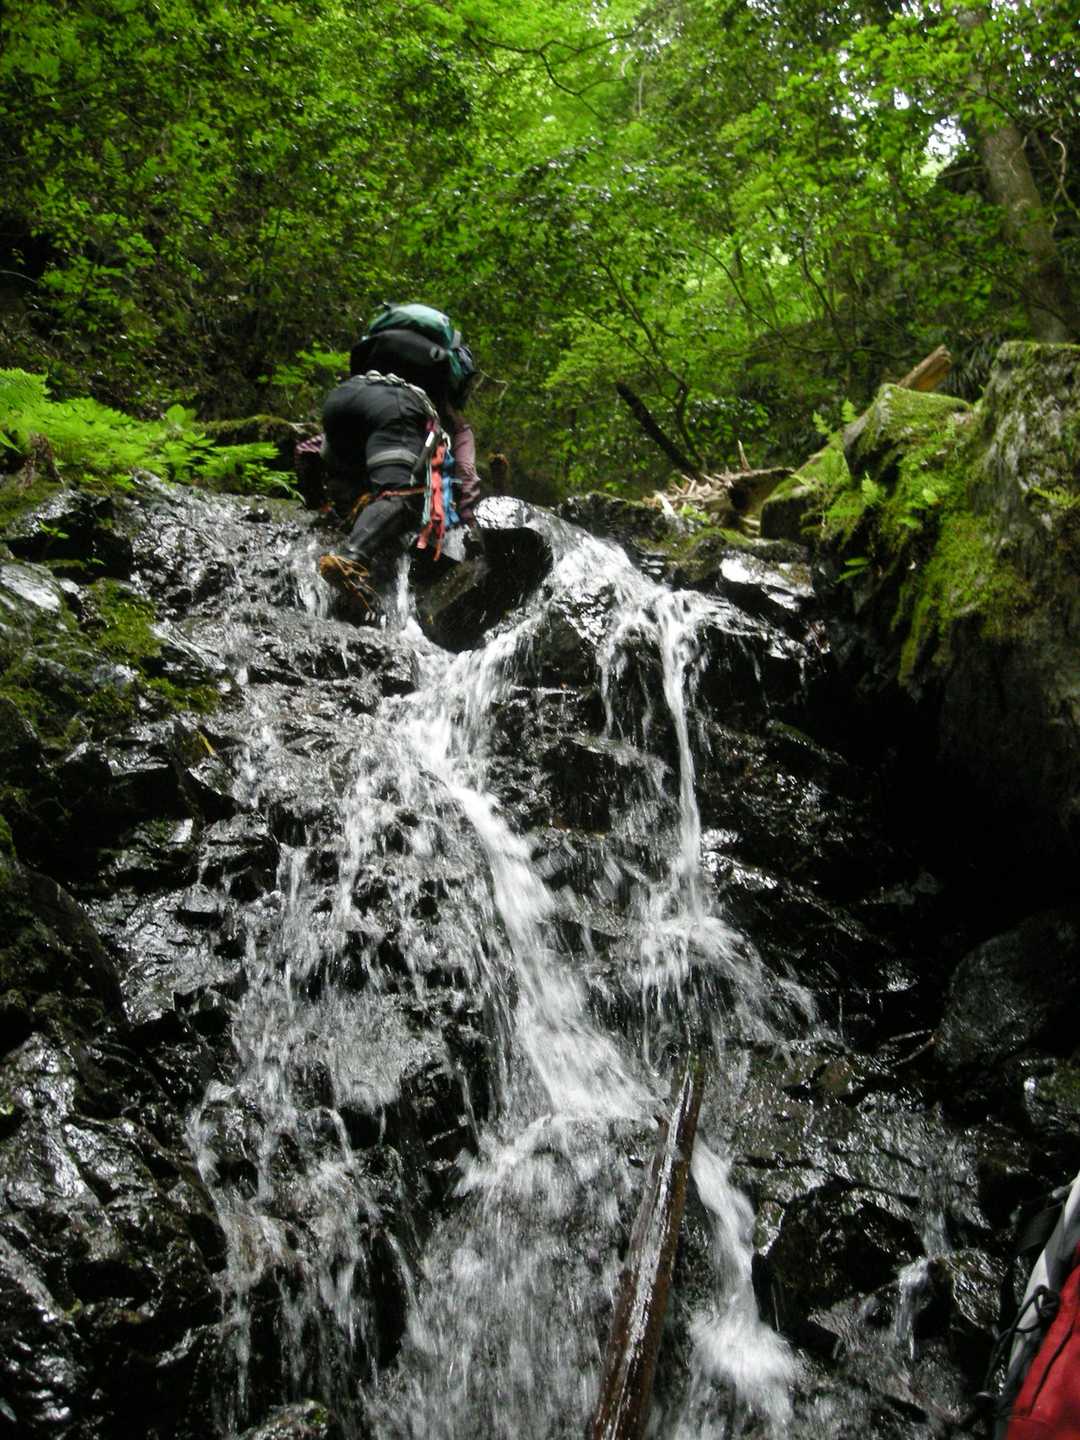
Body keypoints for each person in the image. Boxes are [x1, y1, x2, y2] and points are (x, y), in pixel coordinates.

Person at [311, 308, 481, 619]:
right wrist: (471, 526)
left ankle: (342, 521)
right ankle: (350, 557)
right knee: (403, 496)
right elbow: (465, 473)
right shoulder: (444, 415)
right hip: (392, 410)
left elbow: (310, 450)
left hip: (340, 402)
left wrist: (315, 503)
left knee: (367, 487)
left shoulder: (369, 379)